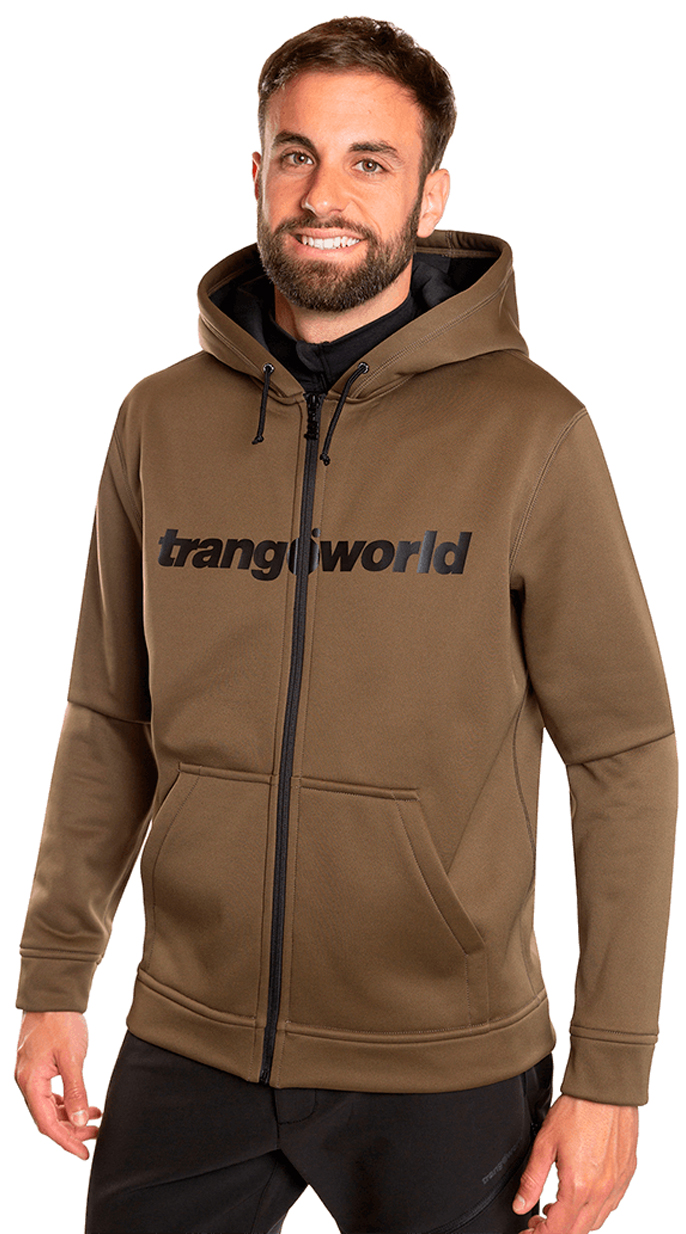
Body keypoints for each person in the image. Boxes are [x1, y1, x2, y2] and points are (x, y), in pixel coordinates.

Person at [14, 16, 677, 1234]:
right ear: (256, 173)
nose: (324, 194)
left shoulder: (530, 431)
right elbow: (108, 712)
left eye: (369, 161)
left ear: (430, 196)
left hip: (444, 1059)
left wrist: (609, 1071)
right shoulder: (159, 421)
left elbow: (622, 750)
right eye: (295, 154)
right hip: (189, 1037)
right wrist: (55, 974)